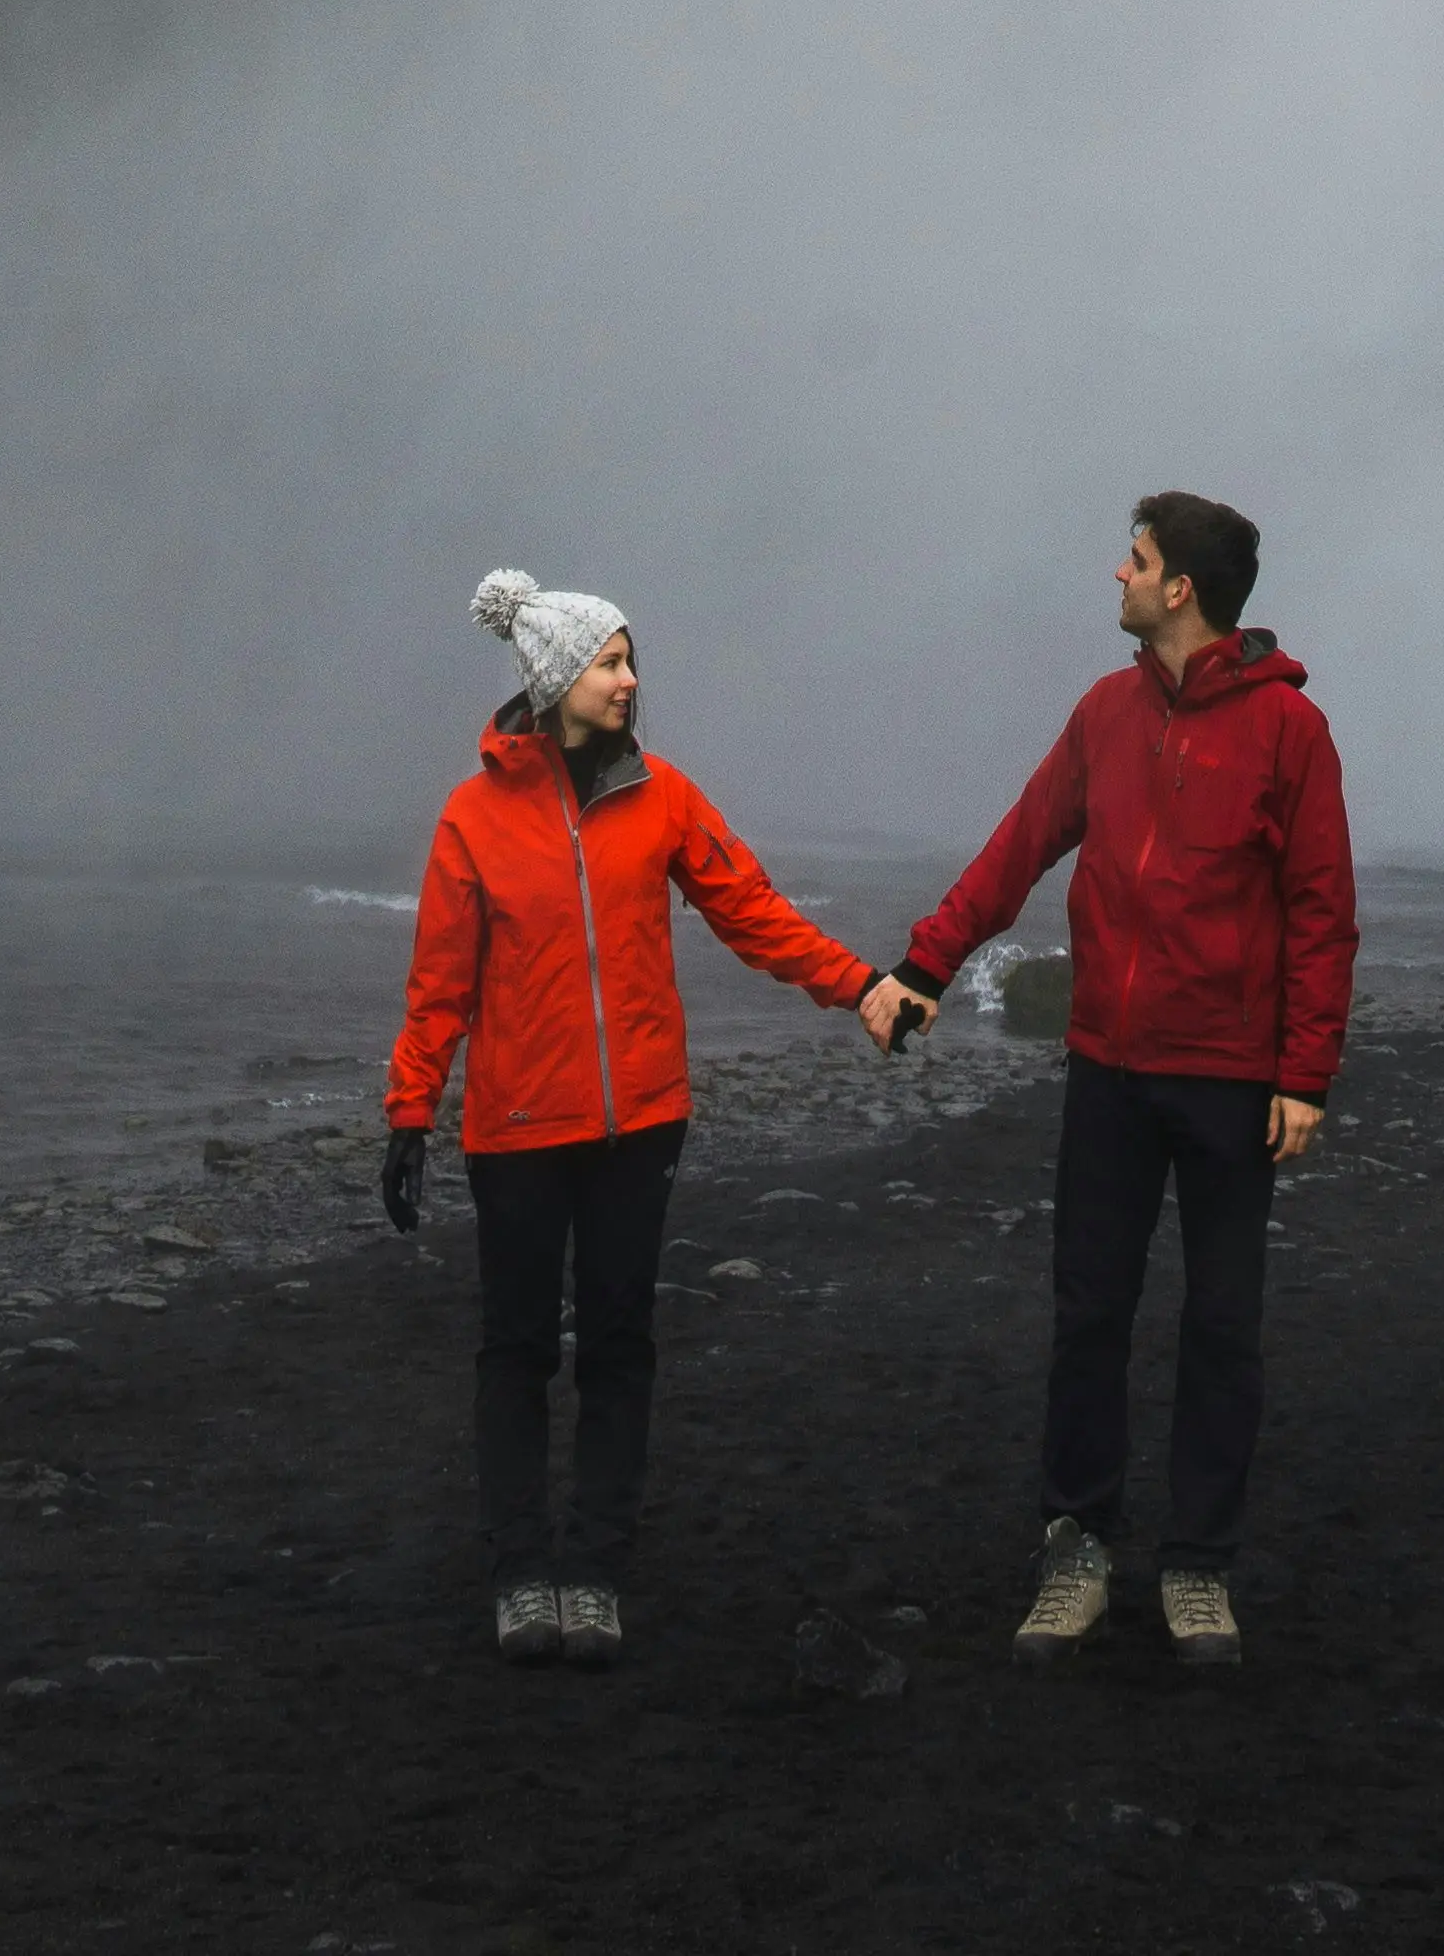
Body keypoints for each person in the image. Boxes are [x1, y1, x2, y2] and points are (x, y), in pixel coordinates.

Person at [379, 560, 921, 1667]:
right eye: (611, 662)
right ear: (557, 676)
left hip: (640, 1127)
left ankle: (596, 1570)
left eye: (630, 661)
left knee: (620, 1345)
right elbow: (439, 984)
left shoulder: (661, 796)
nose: (630, 681)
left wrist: (860, 985)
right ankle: (523, 1574)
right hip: (518, 1130)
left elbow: (753, 912)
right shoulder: (471, 818)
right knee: (518, 1349)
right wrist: (407, 1115)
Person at [886, 488, 1354, 1678]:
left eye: (1135, 561)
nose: (1119, 576)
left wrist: (1303, 1073)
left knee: (1220, 1324)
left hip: (1230, 1079)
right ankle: (1077, 1551)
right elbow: (1023, 842)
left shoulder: (1290, 732)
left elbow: (1321, 911)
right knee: (1089, 1312)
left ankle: (1196, 1567)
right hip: (1107, 1066)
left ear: (1181, 587)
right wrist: (929, 960)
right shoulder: (1103, 713)